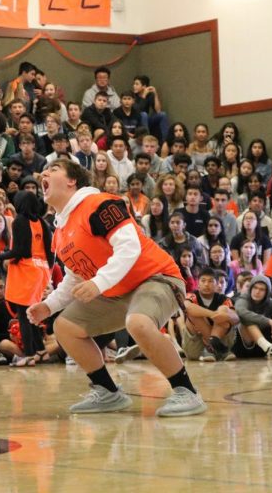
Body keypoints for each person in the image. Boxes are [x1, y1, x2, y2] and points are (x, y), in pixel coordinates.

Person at [27, 159, 206, 417]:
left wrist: (99, 283)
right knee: (64, 327)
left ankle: (186, 391)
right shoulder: (60, 231)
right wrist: (49, 305)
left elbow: (129, 246)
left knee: (138, 323)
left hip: (156, 277)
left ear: (71, 180)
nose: (44, 172)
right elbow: (74, 277)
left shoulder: (98, 203)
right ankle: (107, 392)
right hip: (116, 291)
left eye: (53, 169)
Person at [0, 191, 53, 367]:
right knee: (32, 313)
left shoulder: (20, 221)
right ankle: (41, 351)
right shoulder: (42, 222)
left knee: (23, 315)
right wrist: (49, 272)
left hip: (26, 269)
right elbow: (51, 252)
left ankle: (29, 355)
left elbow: (20, 252)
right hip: (42, 269)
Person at [182, 268, 239, 362]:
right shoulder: (191, 295)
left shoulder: (224, 299)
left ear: (217, 284)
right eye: (203, 281)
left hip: (221, 339)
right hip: (196, 347)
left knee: (224, 310)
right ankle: (214, 345)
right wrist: (212, 314)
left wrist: (225, 315)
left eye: (211, 281)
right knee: (193, 313)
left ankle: (212, 344)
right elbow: (188, 307)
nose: (206, 284)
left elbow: (236, 318)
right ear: (198, 284)